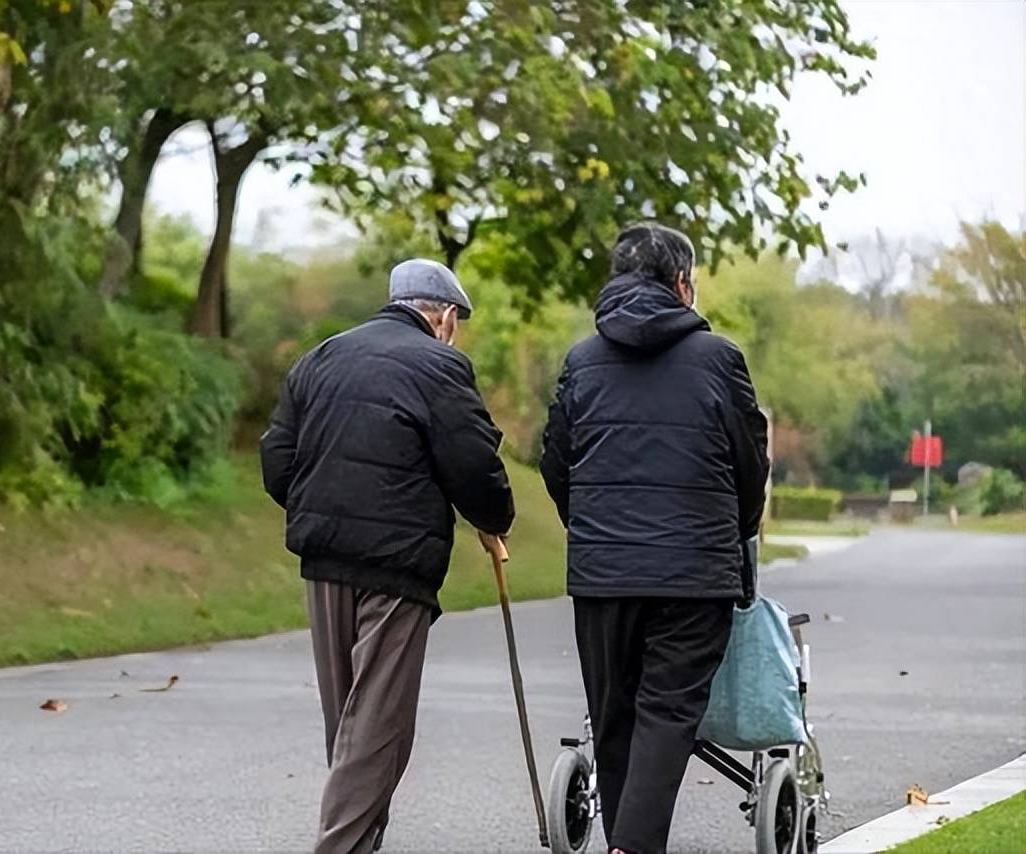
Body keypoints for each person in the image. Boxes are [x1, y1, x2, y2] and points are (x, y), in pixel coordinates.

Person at [260, 258, 515, 854]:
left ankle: (359, 840)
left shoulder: (320, 357)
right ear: (446, 317)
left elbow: (277, 460)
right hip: (397, 564)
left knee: (349, 720)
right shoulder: (441, 365)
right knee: (377, 724)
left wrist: (317, 507)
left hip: (323, 559)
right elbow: (472, 463)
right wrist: (493, 520)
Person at [539, 223, 769, 854]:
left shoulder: (582, 361)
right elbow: (751, 464)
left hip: (604, 575)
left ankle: (626, 845)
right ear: (683, 285)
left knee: (613, 717)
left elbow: (557, 463)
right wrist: (739, 530)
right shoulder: (720, 359)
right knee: (666, 716)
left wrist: (592, 531)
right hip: (695, 575)